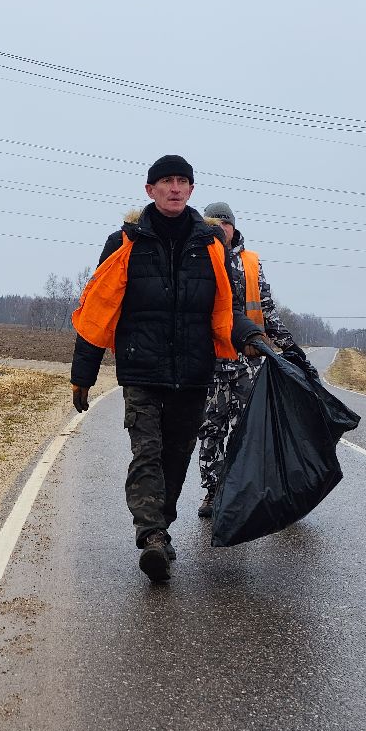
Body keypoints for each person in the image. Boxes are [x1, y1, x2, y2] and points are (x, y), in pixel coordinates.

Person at [69, 155, 265, 581]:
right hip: (142, 370)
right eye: (165, 182)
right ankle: (152, 535)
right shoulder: (124, 243)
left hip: (194, 372)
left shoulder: (212, 245)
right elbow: (98, 310)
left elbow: (229, 309)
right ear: (150, 191)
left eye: (182, 181)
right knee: (148, 452)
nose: (174, 188)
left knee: (177, 456)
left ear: (191, 190)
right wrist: (82, 374)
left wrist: (250, 338)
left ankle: (163, 527)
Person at [193, 201, 308, 520]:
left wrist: (289, 348)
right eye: (213, 223)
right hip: (211, 366)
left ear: (233, 226)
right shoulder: (198, 259)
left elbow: (268, 311)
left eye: (224, 223)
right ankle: (213, 491)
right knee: (210, 429)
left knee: (248, 430)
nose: (220, 229)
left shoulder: (251, 263)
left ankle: (244, 489)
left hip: (248, 366)